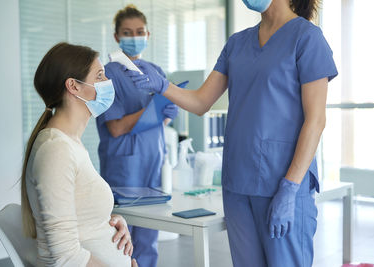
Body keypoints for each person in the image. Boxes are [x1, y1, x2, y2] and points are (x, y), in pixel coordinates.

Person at [124, 0, 338, 266]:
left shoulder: (307, 37)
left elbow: (316, 120)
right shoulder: (237, 43)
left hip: (283, 183)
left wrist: (290, 187)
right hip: (238, 181)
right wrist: (163, 86)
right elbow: (202, 102)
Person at [21, 42, 139, 267]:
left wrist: (109, 223)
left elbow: (78, 213)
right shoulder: (56, 149)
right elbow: (66, 257)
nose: (108, 83)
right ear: (73, 86)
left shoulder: (71, 144)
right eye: (100, 75)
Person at [95, 4, 178, 267]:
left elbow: (160, 121)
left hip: (153, 159)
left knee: (148, 238)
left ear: (148, 34)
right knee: (123, 238)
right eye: (128, 32)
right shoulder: (107, 75)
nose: (135, 37)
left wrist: (166, 110)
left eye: (139, 31)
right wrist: (150, 110)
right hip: (124, 165)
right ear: (117, 37)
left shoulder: (156, 71)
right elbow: (115, 127)